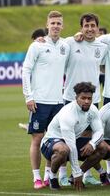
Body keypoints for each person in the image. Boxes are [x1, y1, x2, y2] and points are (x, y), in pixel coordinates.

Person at [22, 10, 70, 189]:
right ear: (47, 25)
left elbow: (78, 42)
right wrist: (29, 96)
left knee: (54, 139)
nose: (56, 26)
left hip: (59, 102)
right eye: (53, 23)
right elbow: (26, 70)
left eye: (59, 23)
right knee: (37, 139)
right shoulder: (37, 46)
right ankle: (36, 177)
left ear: (62, 25)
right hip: (39, 101)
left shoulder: (66, 46)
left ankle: (49, 174)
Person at [61, 13, 108, 186]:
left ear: (97, 28)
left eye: (92, 26)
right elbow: (58, 43)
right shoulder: (70, 42)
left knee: (90, 138)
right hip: (70, 99)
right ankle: (62, 175)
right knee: (66, 137)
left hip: (93, 100)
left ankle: (87, 174)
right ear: (81, 27)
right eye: (86, 26)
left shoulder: (102, 47)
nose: (89, 29)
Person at [40, 82, 107, 190]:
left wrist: (92, 144)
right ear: (76, 97)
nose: (86, 101)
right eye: (83, 98)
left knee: (102, 147)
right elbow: (71, 147)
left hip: (73, 140)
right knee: (63, 150)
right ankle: (52, 177)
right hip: (51, 141)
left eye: (89, 98)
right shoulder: (68, 113)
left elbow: (99, 131)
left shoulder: (93, 110)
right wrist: (77, 174)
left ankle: (73, 177)